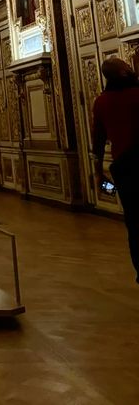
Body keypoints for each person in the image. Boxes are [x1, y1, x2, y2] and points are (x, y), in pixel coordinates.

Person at [93, 57, 139, 283]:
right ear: (122, 73)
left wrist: (98, 172)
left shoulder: (101, 102)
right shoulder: (136, 95)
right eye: (126, 67)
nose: (130, 68)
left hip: (122, 168)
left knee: (134, 223)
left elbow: (98, 139)